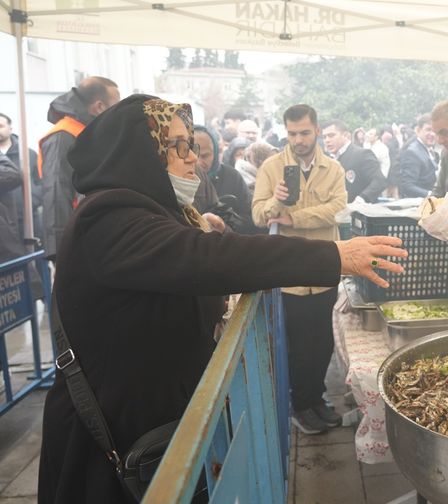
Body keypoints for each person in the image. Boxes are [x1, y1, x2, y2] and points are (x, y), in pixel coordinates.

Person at [37, 95, 406, 504]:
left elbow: (190, 256)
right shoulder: (106, 216)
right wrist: (336, 255)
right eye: (176, 146)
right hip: (108, 439)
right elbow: (206, 259)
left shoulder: (155, 212)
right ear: (140, 153)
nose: (192, 157)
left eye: (191, 144)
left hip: (151, 425)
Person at [252, 104, 350, 435]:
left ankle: (315, 398)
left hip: (323, 269)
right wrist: (277, 201)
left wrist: (296, 218)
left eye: (305, 132)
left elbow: (338, 208)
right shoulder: (271, 167)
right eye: (292, 133)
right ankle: (300, 406)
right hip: (291, 272)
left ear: (317, 130)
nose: (298, 140)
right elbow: (257, 215)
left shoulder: (333, 168)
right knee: (296, 345)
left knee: (322, 343)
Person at [39, 76, 120, 260]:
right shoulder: (63, 135)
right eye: (117, 104)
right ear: (99, 106)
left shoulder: (89, 133)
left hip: (95, 234)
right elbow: (56, 192)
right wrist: (61, 252)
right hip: (77, 243)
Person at [194, 127, 257, 233]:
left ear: (215, 153)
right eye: (192, 154)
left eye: (205, 156)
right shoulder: (178, 182)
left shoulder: (232, 177)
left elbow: (252, 220)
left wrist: (225, 223)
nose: (198, 163)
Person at [0, 112, 42, 243]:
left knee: (35, 256)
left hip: (27, 217)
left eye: (0, 126)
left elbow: (42, 181)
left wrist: (32, 201)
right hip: (3, 220)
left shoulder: (27, 154)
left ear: (10, 128)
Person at [321, 120, 387, 203]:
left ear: (345, 135)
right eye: (324, 137)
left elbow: (379, 181)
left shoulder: (362, 154)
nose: (327, 140)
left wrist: (362, 198)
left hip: (359, 212)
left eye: (331, 135)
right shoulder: (327, 159)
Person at [397, 114, 439, 198]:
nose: (432, 134)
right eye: (428, 130)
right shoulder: (412, 152)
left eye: (435, 131)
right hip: (417, 204)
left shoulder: (429, 149)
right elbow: (407, 186)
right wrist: (431, 195)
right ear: (418, 130)